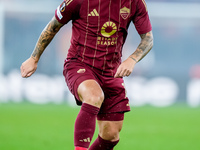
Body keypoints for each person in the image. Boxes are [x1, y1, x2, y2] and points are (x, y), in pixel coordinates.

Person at [20, 0, 153, 149]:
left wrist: (132, 59)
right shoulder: (78, 1)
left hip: (111, 72)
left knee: (111, 135)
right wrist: (34, 58)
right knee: (93, 95)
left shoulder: (135, 2)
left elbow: (148, 38)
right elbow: (53, 26)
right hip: (80, 64)